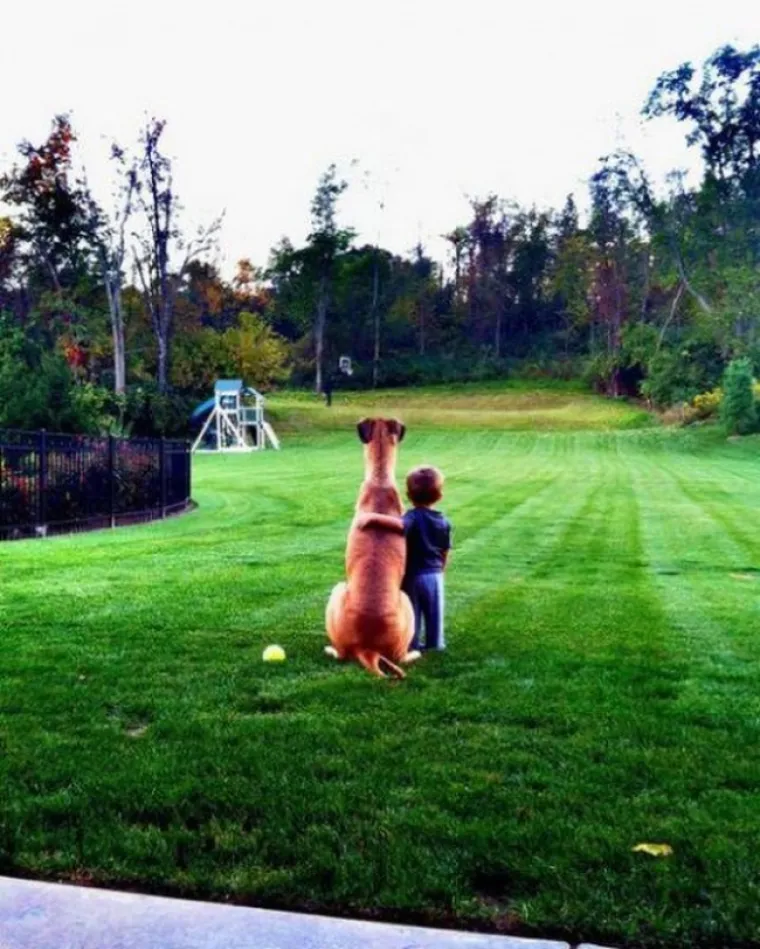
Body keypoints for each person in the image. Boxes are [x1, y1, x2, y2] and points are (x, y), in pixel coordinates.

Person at [401, 466, 451, 651]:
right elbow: (445, 550)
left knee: (412, 612)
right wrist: (441, 569)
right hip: (435, 574)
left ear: (408, 494)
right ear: (440, 496)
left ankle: (412, 644)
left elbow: (398, 530)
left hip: (412, 575)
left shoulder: (410, 518)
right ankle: (435, 642)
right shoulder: (443, 521)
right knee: (434, 611)